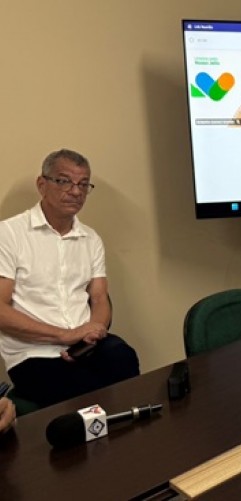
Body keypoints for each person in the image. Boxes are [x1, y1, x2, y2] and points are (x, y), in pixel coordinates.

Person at [0, 150, 140, 408]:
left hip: (84, 345)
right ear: (42, 184)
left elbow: (99, 298)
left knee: (124, 357)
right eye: (64, 181)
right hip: (34, 354)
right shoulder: (9, 234)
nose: (76, 191)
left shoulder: (90, 238)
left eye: (83, 184)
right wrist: (65, 335)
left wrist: (94, 332)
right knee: (86, 391)